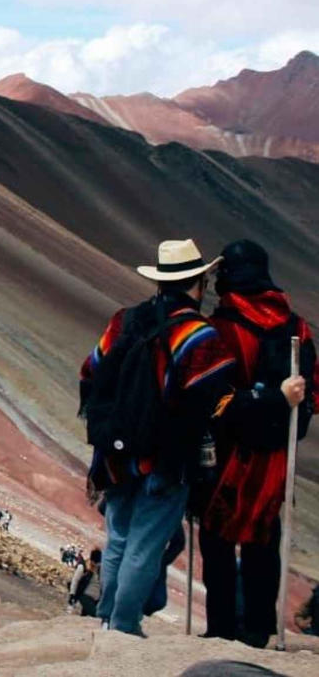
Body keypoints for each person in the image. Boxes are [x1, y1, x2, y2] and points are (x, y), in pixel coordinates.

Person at [80, 239, 235, 637]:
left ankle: (107, 617)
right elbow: (214, 399)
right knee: (146, 544)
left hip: (115, 455)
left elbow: (91, 370)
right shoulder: (200, 336)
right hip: (166, 459)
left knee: (117, 539)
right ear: (197, 284)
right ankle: (125, 624)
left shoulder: (125, 320)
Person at [199, 240, 316, 648]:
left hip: (228, 452)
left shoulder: (221, 328)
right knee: (263, 536)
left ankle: (221, 626)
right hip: (273, 456)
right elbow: (311, 391)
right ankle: (259, 627)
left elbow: (213, 395)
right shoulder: (295, 327)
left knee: (217, 537)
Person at [69, 549, 102, 617]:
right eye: (95, 562)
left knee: (85, 617)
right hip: (85, 595)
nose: (97, 565)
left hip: (96, 599)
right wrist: (72, 595)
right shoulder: (83, 567)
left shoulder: (101, 569)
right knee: (95, 615)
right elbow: (75, 581)